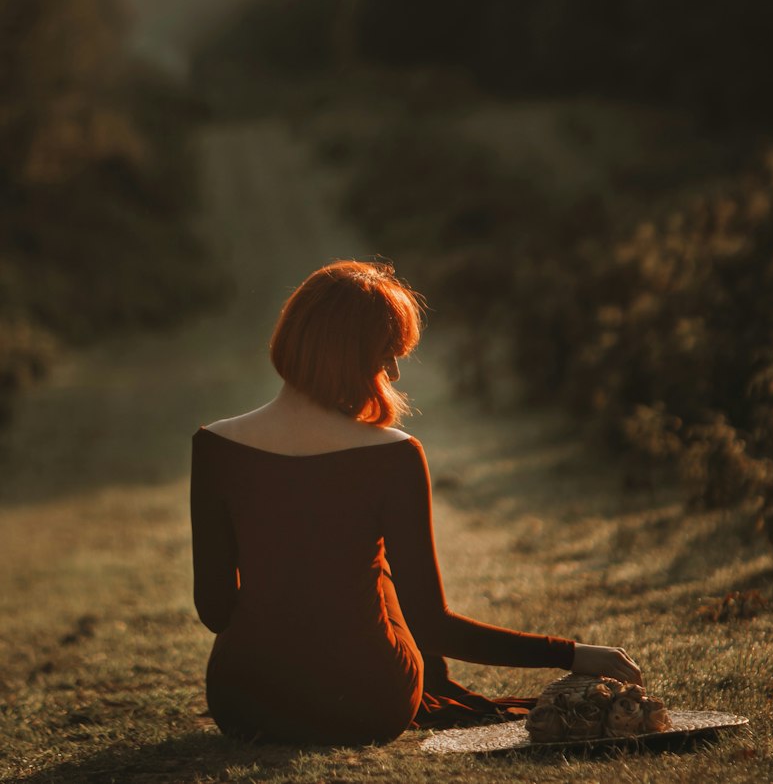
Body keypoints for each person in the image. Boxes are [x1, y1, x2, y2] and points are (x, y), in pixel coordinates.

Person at [190, 259, 643, 747]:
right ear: (352, 356)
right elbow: (432, 625)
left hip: (245, 702)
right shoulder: (393, 454)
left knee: (362, 566)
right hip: (366, 703)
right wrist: (572, 654)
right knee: (371, 568)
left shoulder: (215, 444)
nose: (395, 369)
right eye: (387, 353)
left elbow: (215, 610)